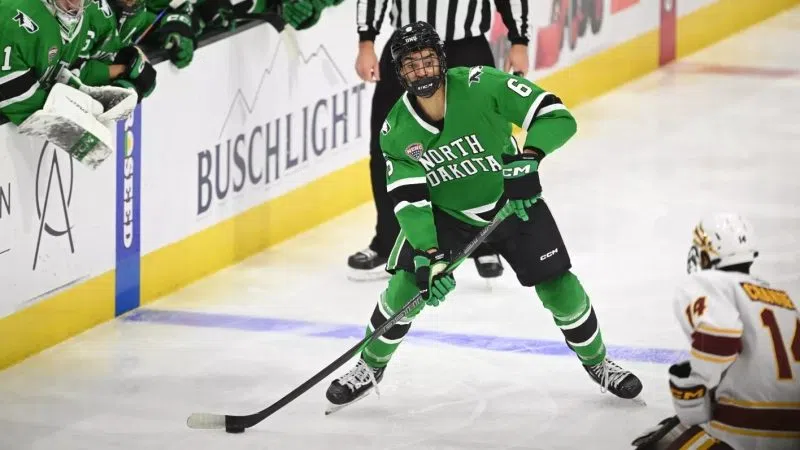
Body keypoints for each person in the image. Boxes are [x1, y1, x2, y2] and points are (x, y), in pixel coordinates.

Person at [325, 21, 643, 414]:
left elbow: (557, 116)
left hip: (512, 202)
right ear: (399, 73)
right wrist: (428, 254)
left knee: (560, 288)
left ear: (442, 60)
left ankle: (598, 363)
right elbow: (410, 201)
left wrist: (530, 157)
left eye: (428, 60)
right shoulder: (397, 130)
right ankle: (370, 366)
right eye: (411, 64)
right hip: (448, 215)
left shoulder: (482, 85)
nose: (422, 71)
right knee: (406, 288)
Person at [348, 0, 532, 281]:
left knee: (485, 143)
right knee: (390, 147)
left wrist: (519, 40)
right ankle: (388, 241)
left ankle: (485, 241)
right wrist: (366, 41)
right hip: (407, 53)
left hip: (466, 47)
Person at [631, 214, 800, 450]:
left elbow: (720, 341)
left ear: (706, 253)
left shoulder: (711, 283)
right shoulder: (783, 300)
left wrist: (693, 387)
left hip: (743, 429)